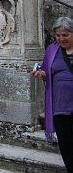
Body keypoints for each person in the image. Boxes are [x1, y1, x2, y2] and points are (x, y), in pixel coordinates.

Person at [31, 16, 73, 173]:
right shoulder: (52, 50)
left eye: (65, 35)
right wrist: (41, 73)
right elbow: (46, 70)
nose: (61, 38)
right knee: (67, 146)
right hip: (60, 106)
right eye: (58, 35)